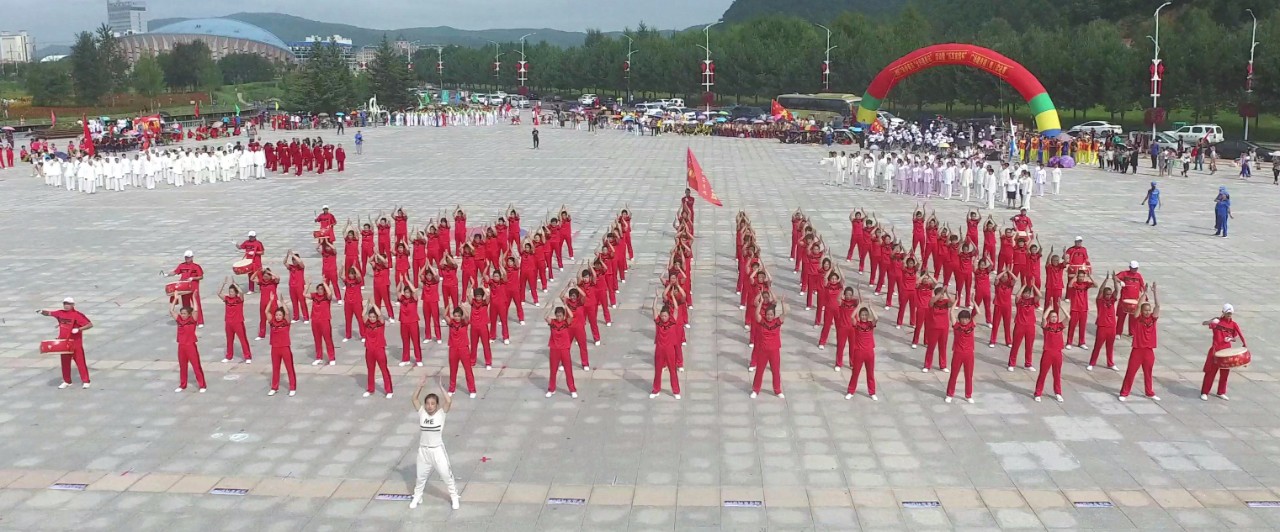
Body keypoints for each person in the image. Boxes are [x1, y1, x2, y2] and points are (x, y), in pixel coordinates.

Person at [409, 376, 461, 510]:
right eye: (427, 403)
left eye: (433, 403)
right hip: (423, 451)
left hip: (437, 450)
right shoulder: (422, 413)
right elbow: (414, 399)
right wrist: (419, 386)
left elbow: (448, 401)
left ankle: (454, 497)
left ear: (437, 405)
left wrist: (441, 387)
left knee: (446, 475)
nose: (430, 406)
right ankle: (417, 496)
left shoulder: (441, 414)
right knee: (420, 477)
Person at [38, 297, 92, 389]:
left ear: (73, 305)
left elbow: (89, 324)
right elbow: (49, 313)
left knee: (80, 362)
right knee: (65, 363)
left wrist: (79, 329)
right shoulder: (60, 313)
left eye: (69, 304)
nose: (66, 306)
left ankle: (86, 381)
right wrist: (41, 311)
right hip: (64, 343)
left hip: (75, 343)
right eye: (65, 304)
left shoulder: (78, 315)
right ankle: (67, 381)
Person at [1119, 283, 1160, 401]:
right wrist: (1145, 293)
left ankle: (1149, 392)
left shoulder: (1153, 319)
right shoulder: (1138, 319)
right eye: (1145, 310)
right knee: (1131, 372)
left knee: (1148, 373)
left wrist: (1155, 291)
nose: (1147, 312)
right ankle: (1124, 392)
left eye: (1148, 310)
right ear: (1142, 311)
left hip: (1149, 351)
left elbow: (1158, 306)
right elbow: (1137, 307)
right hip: (1137, 350)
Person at [1200, 304, 1245, 401]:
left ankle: (1221, 392)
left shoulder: (1233, 324)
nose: (1229, 315)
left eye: (1230, 313)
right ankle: (1204, 392)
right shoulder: (1217, 322)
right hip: (1216, 351)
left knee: (1225, 373)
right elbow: (1204, 323)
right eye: (1228, 313)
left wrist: (1232, 339)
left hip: (1226, 352)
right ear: (1223, 313)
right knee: (1211, 373)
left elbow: (1237, 336)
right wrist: (1211, 321)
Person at [751, 291, 786, 399]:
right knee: (760, 371)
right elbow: (757, 314)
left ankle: (777, 390)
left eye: (771, 314)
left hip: (774, 351)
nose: (769, 316)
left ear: (774, 315)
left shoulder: (777, 322)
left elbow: (785, 314)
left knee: (776, 371)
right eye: (768, 314)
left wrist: (783, 303)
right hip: (763, 350)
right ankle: (755, 390)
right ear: (765, 315)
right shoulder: (762, 322)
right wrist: (761, 302)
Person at [844, 297, 878, 401]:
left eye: (865, 315)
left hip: (869, 353)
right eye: (862, 315)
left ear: (868, 316)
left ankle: (872, 392)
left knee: (870, 373)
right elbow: (851, 316)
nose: (864, 317)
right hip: (858, 352)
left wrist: (870, 308)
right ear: (860, 316)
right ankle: (850, 391)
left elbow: (876, 318)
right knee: (855, 373)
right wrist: (859, 306)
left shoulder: (870, 325)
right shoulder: (857, 325)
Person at [649, 289, 681, 399]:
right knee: (658, 370)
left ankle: (676, 391)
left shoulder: (672, 321)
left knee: (673, 370)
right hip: (659, 349)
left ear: (669, 316)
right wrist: (656, 297)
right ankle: (655, 389)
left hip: (670, 349)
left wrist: (672, 296)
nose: (663, 317)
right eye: (662, 316)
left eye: (665, 316)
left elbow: (676, 308)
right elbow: (654, 309)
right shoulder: (658, 322)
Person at [169, 301, 207, 393]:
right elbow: (171, 310)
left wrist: (194, 298)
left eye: (184, 313)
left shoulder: (192, 320)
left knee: (196, 366)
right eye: (181, 313)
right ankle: (183, 385)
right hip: (181, 346)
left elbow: (196, 310)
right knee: (183, 366)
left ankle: (202, 385)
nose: (182, 315)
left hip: (191, 346)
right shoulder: (179, 320)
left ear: (189, 314)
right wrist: (175, 298)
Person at [544, 300, 578, 399]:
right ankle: (551, 389)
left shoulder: (566, 322)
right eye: (557, 315)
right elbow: (546, 317)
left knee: (568, 370)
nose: (559, 317)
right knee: (553, 370)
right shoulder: (553, 323)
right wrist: (551, 307)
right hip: (554, 349)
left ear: (563, 316)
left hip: (564, 349)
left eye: (560, 316)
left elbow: (571, 316)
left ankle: (572, 389)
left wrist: (565, 306)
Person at [1088, 272, 1121, 371]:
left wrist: (1114, 280)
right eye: (1107, 294)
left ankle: (1110, 363)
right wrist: (1106, 280)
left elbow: (1117, 290)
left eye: (1110, 294)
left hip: (1111, 327)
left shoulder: (1112, 300)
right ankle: (1092, 363)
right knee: (1097, 346)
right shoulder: (1100, 301)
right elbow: (1100, 290)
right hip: (1102, 326)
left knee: (1110, 347)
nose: (1109, 296)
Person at [1033, 305, 1066, 402]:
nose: (1054, 318)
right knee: (1043, 374)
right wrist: (1049, 308)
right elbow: (1043, 318)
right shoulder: (1046, 327)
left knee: (1057, 374)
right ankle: (1038, 393)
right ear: (1049, 318)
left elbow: (1068, 317)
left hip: (1058, 353)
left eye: (1055, 317)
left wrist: (1061, 307)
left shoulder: (1060, 326)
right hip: (1047, 353)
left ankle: (1058, 393)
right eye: (1052, 317)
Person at [361, 301, 394, 398]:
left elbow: (380, 314)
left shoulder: (380, 324)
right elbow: (363, 314)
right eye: (370, 317)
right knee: (370, 370)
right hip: (369, 350)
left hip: (379, 350)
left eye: (373, 317)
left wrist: (374, 304)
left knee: (384, 369)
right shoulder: (366, 324)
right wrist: (367, 304)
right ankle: (370, 389)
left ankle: (389, 390)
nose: (371, 318)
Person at [945, 306, 977, 403]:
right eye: (962, 318)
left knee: (969, 376)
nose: (964, 320)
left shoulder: (971, 326)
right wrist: (954, 303)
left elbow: (978, 313)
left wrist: (974, 301)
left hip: (969, 354)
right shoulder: (956, 326)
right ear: (959, 319)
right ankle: (950, 394)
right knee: (954, 374)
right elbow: (951, 314)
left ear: (969, 319)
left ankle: (968, 395)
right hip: (958, 353)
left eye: (966, 318)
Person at [164, 250, 205, 326]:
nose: (187, 259)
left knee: (197, 305)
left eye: (188, 257)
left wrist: (193, 278)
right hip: (184, 288)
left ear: (192, 257)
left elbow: (201, 276)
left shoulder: (196, 266)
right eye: (186, 257)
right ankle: (187, 320)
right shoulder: (181, 265)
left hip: (193, 288)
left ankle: (200, 322)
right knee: (186, 305)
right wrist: (167, 274)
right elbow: (175, 272)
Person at [266, 302, 297, 396]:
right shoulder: (272, 323)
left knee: (289, 368)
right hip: (274, 348)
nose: (278, 316)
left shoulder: (286, 323)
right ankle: (274, 387)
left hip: (285, 348)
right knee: (275, 368)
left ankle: (292, 387)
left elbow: (287, 313)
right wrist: (271, 301)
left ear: (283, 316)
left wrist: (282, 303)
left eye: (280, 315)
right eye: (276, 315)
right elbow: (266, 311)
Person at [445, 305, 477, 397]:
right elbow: (445, 315)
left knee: (468, 370)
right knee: (453, 370)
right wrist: (448, 306)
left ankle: (472, 390)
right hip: (453, 348)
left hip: (463, 348)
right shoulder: (451, 323)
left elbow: (467, 316)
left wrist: (462, 307)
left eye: (458, 316)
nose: (457, 317)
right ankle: (452, 388)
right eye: (455, 315)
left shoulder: (464, 323)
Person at [310, 283, 336, 365]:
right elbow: (304, 294)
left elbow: (330, 293)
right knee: (317, 340)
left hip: (325, 320)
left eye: (321, 289)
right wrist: (307, 285)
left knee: (328, 339)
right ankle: (319, 357)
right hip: (314, 321)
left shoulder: (327, 297)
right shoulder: (314, 296)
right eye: (318, 289)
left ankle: (331, 358)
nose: (319, 290)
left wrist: (324, 283)